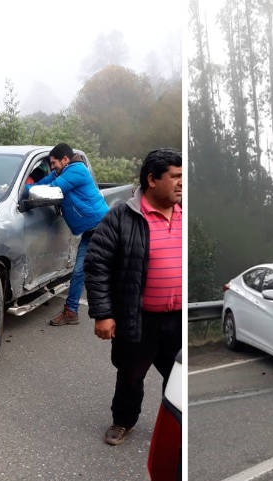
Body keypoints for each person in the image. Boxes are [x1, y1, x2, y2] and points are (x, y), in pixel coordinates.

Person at [84, 148, 182, 446]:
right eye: (176, 177)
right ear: (152, 179)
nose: (182, 183)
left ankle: (177, 428)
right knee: (130, 376)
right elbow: (97, 263)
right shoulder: (122, 216)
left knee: (180, 379)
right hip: (138, 318)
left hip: (178, 320)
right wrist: (103, 313)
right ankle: (123, 421)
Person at [30, 143, 108, 326]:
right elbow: (43, 183)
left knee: (85, 271)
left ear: (65, 159)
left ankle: (74, 311)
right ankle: (72, 312)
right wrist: (25, 187)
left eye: (54, 162)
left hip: (103, 228)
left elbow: (52, 188)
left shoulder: (76, 171)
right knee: (82, 272)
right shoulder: (61, 172)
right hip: (91, 231)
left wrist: (26, 192)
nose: (52, 167)